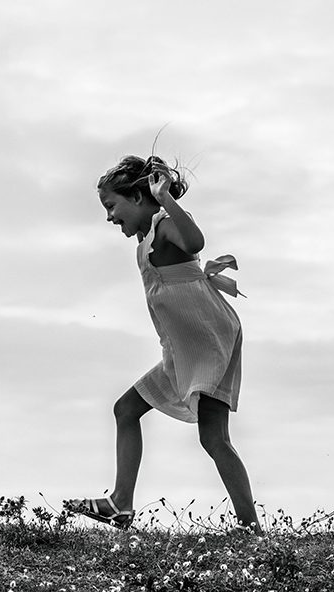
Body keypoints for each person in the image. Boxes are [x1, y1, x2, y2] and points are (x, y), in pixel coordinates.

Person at [65, 155, 262, 534]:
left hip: (208, 340)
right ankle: (121, 503)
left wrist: (166, 198)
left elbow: (196, 241)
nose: (108, 217)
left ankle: (251, 531)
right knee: (127, 410)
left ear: (138, 199)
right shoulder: (144, 239)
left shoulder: (165, 225)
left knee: (213, 437)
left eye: (112, 206)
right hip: (182, 348)